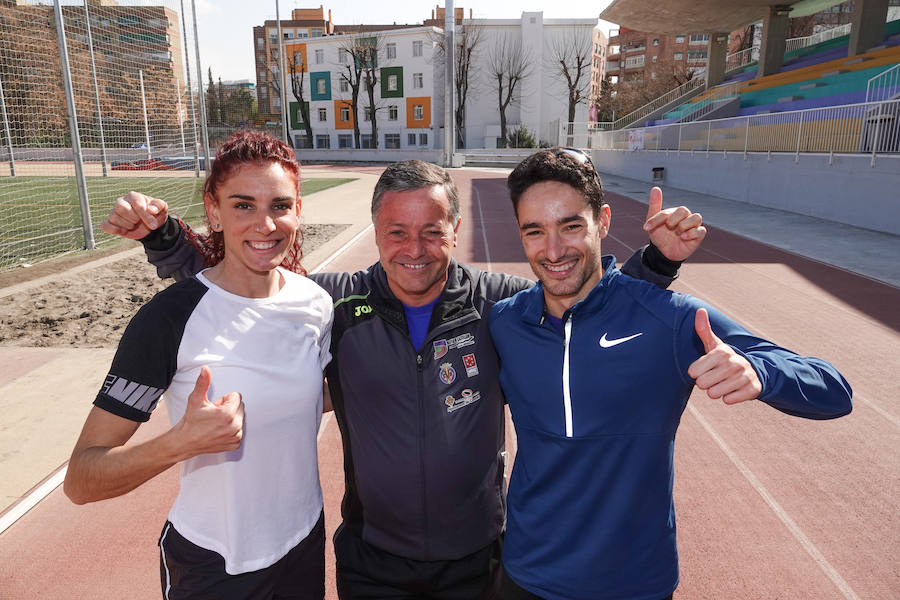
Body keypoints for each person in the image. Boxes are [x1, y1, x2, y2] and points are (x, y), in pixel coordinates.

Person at [99, 157, 705, 599]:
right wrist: (165, 240)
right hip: (373, 562)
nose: (413, 249)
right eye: (396, 232)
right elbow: (241, 287)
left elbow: (579, 293)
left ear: (454, 233)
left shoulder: (500, 304)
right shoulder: (334, 302)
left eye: (432, 231)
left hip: (477, 559)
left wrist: (654, 263)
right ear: (376, 232)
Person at [488, 148, 854, 600]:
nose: (554, 249)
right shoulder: (505, 322)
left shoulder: (670, 318)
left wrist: (760, 371)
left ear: (602, 221)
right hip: (527, 576)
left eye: (570, 225)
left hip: (635, 583)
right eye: (535, 231)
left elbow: (836, 391)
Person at [64, 131, 334, 600]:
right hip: (214, 563)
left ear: (297, 209)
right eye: (243, 205)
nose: (265, 225)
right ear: (214, 210)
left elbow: (314, 393)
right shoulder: (169, 318)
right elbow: (81, 480)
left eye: (279, 205)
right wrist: (180, 443)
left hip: (302, 541)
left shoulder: (314, 302)